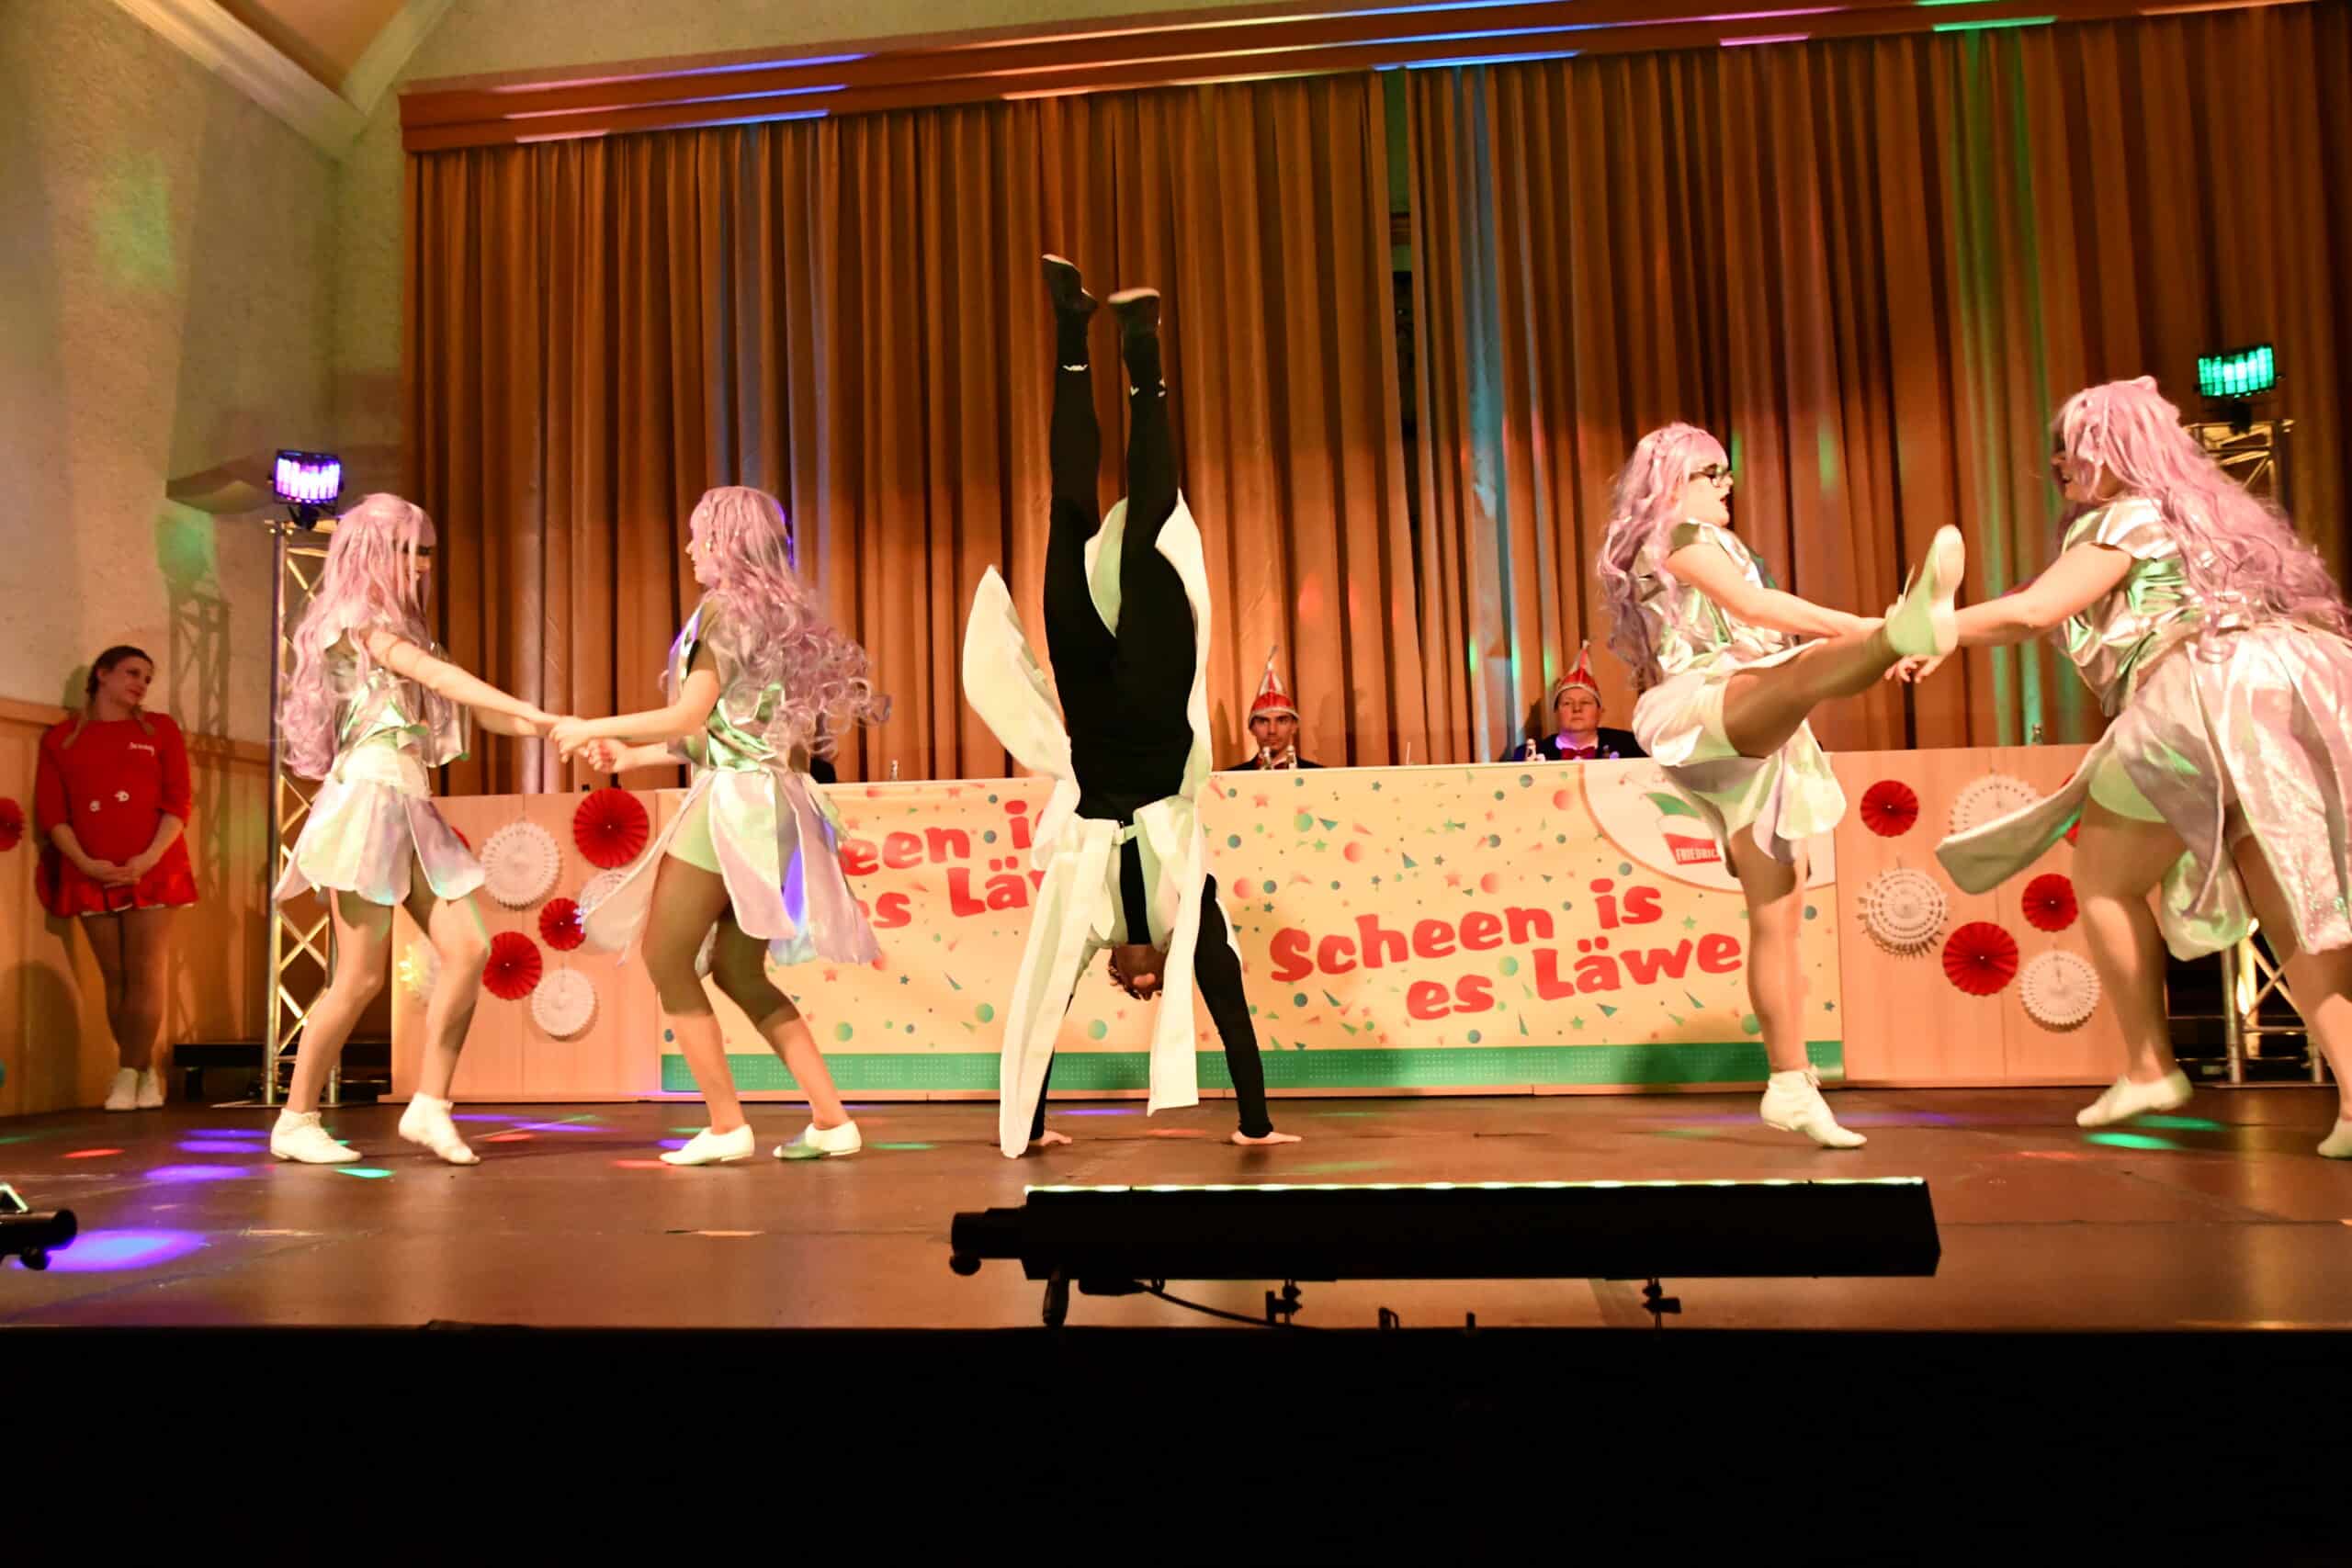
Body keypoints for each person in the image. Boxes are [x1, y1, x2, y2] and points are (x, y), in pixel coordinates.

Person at [1935, 377, 2352, 1157]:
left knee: (2105, 881)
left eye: (2071, 447)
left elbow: (2035, 610)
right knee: (2292, 904)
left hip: (2197, 696)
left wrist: (1926, 629)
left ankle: (2150, 1064)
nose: (2058, 462)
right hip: (2284, 691)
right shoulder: (2211, 518)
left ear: (2114, 452)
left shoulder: (2124, 515)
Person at [962, 255, 1300, 1156]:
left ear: (1115, 968)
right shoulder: (1194, 919)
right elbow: (1228, 1005)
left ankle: (1072, 332)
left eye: (1134, 986)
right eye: (1154, 988)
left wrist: (1027, 1131)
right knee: (1152, 520)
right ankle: (1144, 357)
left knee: (1066, 514)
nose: (1146, 981)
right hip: (1153, 713)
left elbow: (1040, 1002)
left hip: (1088, 714)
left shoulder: (1086, 922)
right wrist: (1256, 1125)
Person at [1599, 423, 1962, 1148]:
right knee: (1799, 677)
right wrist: (1875, 629)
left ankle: (1790, 1083)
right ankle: (1896, 632)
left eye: (1725, 471)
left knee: (1778, 917)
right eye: (1711, 472)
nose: (1726, 482)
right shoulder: (1675, 537)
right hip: (1703, 703)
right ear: (1671, 482)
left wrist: (1873, 642)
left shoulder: (1717, 541)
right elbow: (1758, 610)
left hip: (1759, 733)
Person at [562, 487, 888, 1166]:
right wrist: (634, 756)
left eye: (699, 535)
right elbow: (734, 734)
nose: (689, 548)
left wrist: (591, 726)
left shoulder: (722, 610)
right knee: (739, 970)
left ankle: (725, 1123)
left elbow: (689, 716)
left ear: (725, 541)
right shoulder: (780, 622)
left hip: (736, 806)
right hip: (779, 805)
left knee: (665, 955)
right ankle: (832, 1120)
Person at [270, 495, 553, 1166]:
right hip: (366, 802)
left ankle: (430, 1104)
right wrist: (534, 713)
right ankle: (296, 1117)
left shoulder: (407, 631)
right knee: (359, 977)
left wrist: (554, 726)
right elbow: (437, 678)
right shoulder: (353, 620)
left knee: (470, 950)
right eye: (410, 550)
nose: (423, 564)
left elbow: (469, 703)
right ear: (374, 552)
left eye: (425, 552)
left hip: (409, 804)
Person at [35, 645, 198, 1111]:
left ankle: (127, 1072)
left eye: (147, 678)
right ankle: (142, 1073)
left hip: (153, 868)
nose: (141, 684)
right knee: (116, 978)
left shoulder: (161, 730)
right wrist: (86, 864)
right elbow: (52, 814)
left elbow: (178, 802)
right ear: (102, 675)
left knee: (145, 973)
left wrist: (147, 859)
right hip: (89, 872)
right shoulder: (61, 739)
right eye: (132, 673)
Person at [1523, 642, 1646, 762]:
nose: (1577, 709)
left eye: (1585, 702)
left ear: (1600, 712)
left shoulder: (1631, 747)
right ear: (1555, 712)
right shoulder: (1530, 753)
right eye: (1567, 703)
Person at [1226, 647, 1322, 770]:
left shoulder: (1320, 776)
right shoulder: (1231, 777)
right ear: (1251, 728)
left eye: (1281, 721)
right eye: (1263, 721)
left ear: (1294, 726)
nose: (1272, 730)